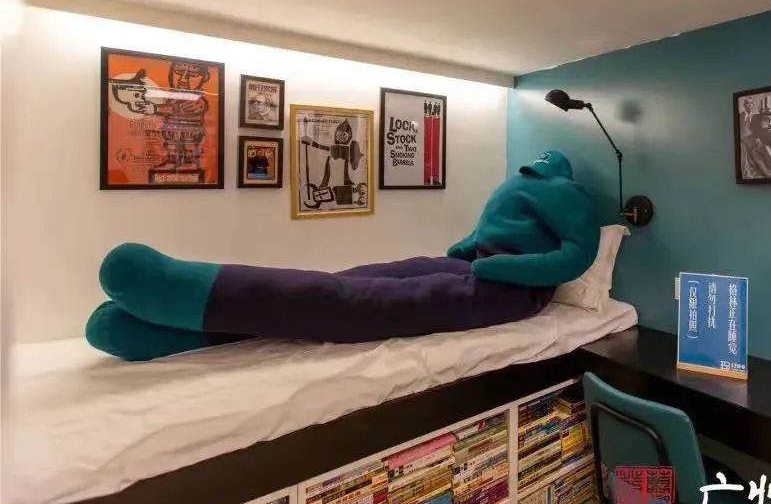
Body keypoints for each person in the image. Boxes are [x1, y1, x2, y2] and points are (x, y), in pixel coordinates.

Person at [86, 150, 600, 361]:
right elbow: (484, 229)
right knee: (355, 277)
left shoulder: (570, 196)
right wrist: (466, 252)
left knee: (356, 303)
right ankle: (170, 332)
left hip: (509, 292)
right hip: (473, 266)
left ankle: (195, 293)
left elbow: (574, 258)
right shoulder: (524, 181)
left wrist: (496, 267)